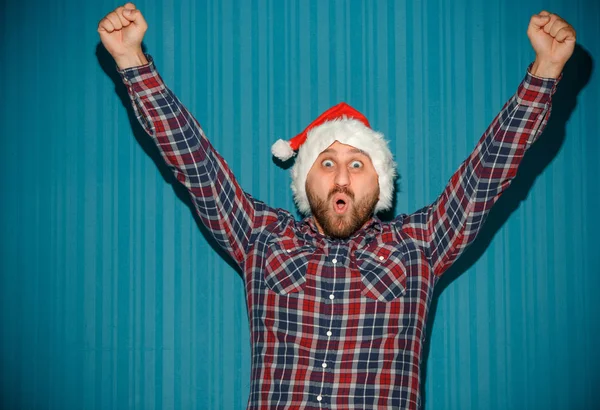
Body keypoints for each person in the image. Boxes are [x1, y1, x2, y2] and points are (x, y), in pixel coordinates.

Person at [98, 3, 576, 409]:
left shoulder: (419, 247)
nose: (342, 176)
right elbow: (196, 165)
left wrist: (545, 72)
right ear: (303, 182)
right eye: (326, 163)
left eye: (357, 163)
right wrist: (132, 61)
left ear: (381, 183)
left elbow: (486, 175)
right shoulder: (262, 239)